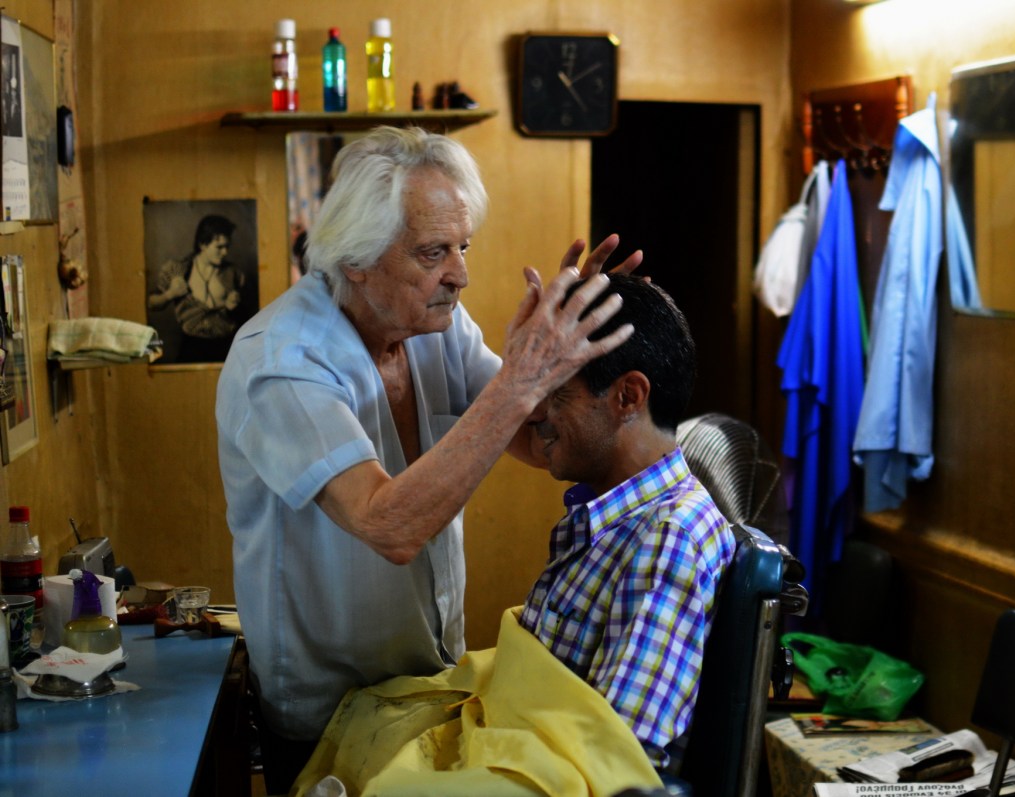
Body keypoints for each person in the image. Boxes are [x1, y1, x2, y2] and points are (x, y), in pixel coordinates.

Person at [215, 125, 639, 794]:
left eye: (463, 247)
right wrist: (519, 380)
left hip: (433, 684)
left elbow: (536, 440)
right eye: (433, 252)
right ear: (356, 258)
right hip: (327, 713)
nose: (460, 275)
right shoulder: (281, 361)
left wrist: (578, 348)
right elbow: (389, 525)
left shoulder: (437, 326)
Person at [518, 275, 735, 772]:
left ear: (628, 396)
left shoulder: (669, 538)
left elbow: (616, 758)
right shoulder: (614, 521)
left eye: (556, 393)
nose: (535, 415)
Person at [147, 213, 246, 362]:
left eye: (227, 247)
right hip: (191, 347)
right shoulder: (178, 270)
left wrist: (234, 307)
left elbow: (249, 317)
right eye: (219, 247)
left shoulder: (234, 273)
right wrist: (170, 294)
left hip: (227, 348)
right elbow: (151, 303)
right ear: (203, 244)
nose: (225, 252)